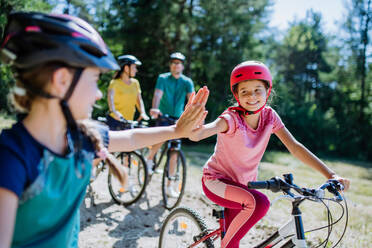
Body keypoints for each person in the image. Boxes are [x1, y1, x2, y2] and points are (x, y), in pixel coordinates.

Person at [0, 12, 209, 248]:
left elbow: (131, 138)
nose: (99, 93)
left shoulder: (79, 138)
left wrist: (177, 130)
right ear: (61, 81)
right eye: (94, 78)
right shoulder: (11, 156)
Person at [188, 61, 350, 248]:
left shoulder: (270, 117)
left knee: (233, 241)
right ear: (237, 95)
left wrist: (330, 175)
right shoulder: (230, 119)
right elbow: (200, 133)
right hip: (217, 182)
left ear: (268, 91)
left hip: (244, 186)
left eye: (258, 90)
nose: (252, 96)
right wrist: (194, 125)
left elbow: (295, 147)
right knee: (260, 204)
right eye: (245, 91)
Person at [147, 52, 194, 197]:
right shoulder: (163, 78)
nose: (176, 65)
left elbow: (191, 100)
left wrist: (195, 116)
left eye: (178, 63)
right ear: (170, 65)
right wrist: (155, 108)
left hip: (178, 118)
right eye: (173, 62)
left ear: (182, 66)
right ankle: (149, 160)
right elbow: (157, 95)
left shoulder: (187, 82)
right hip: (163, 115)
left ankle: (170, 185)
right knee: (159, 139)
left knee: (174, 151)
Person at [107, 54, 149, 131]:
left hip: (129, 122)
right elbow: (110, 100)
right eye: (134, 67)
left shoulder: (135, 83)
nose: (136, 70)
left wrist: (142, 112)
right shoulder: (114, 83)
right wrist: (114, 111)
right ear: (126, 68)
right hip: (115, 121)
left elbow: (139, 100)